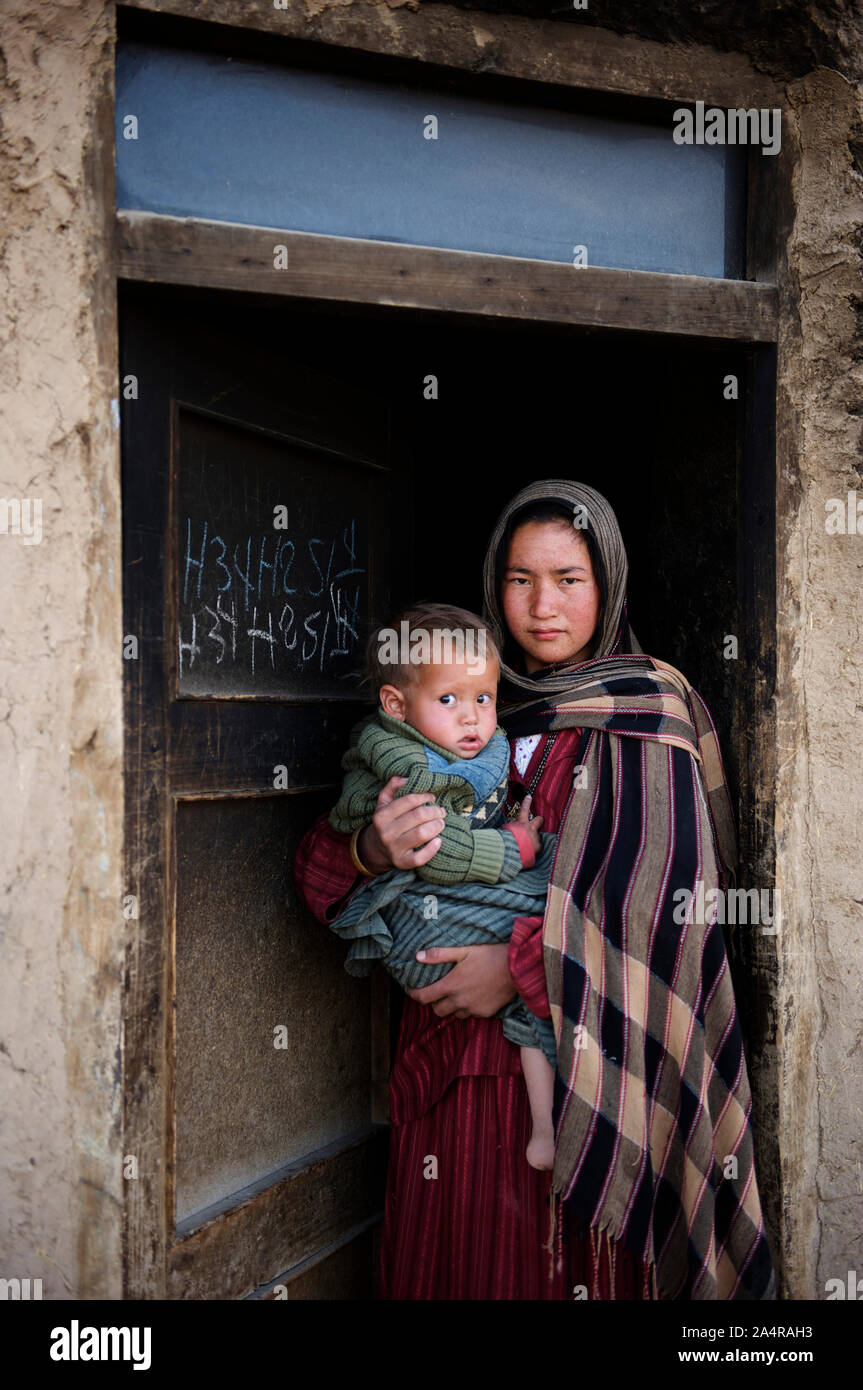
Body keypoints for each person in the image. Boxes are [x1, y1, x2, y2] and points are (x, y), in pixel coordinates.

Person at [294, 479, 776, 1301]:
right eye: (519, 579)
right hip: (449, 1088)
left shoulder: (647, 713)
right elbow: (318, 872)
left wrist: (516, 970)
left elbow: (668, 910)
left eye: (568, 579)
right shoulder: (460, 704)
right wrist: (371, 850)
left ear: (608, 583)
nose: (541, 604)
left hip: (592, 1081)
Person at [325, 602, 558, 1171]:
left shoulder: (467, 745)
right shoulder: (409, 765)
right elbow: (442, 852)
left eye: (483, 698)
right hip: (428, 933)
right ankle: (548, 1126)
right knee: (548, 898)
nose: (474, 718)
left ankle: (547, 1128)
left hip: (469, 931)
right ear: (396, 706)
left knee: (546, 941)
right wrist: (518, 848)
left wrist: (523, 958)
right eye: (449, 700)